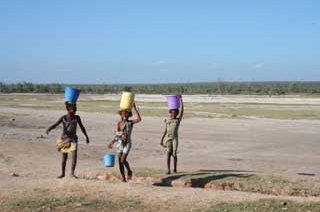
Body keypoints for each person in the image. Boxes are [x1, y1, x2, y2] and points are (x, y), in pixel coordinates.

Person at [46, 102, 89, 179]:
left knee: (74, 157)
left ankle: (72, 173)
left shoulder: (77, 117)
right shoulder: (63, 118)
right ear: (69, 109)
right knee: (64, 157)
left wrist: (86, 136)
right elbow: (56, 124)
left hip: (73, 139)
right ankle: (62, 173)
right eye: (74, 109)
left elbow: (82, 127)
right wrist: (49, 128)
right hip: (64, 139)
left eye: (76, 109)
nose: (75, 110)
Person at [108, 102, 141, 182]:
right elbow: (117, 134)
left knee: (123, 160)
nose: (125, 115)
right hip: (120, 143)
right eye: (123, 114)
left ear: (129, 115)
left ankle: (129, 171)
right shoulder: (119, 123)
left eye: (126, 114)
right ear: (121, 115)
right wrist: (112, 142)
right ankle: (123, 178)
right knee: (120, 162)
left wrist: (135, 109)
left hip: (127, 143)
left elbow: (139, 119)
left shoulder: (130, 123)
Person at [160, 95, 184, 174]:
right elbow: (165, 130)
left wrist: (181, 100)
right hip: (168, 138)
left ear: (176, 114)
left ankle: (175, 169)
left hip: (175, 139)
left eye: (175, 113)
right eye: (172, 113)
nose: (173, 114)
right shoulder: (167, 120)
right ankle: (168, 170)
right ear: (170, 113)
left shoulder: (177, 120)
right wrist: (162, 139)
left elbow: (182, 111)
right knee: (168, 154)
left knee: (174, 153)